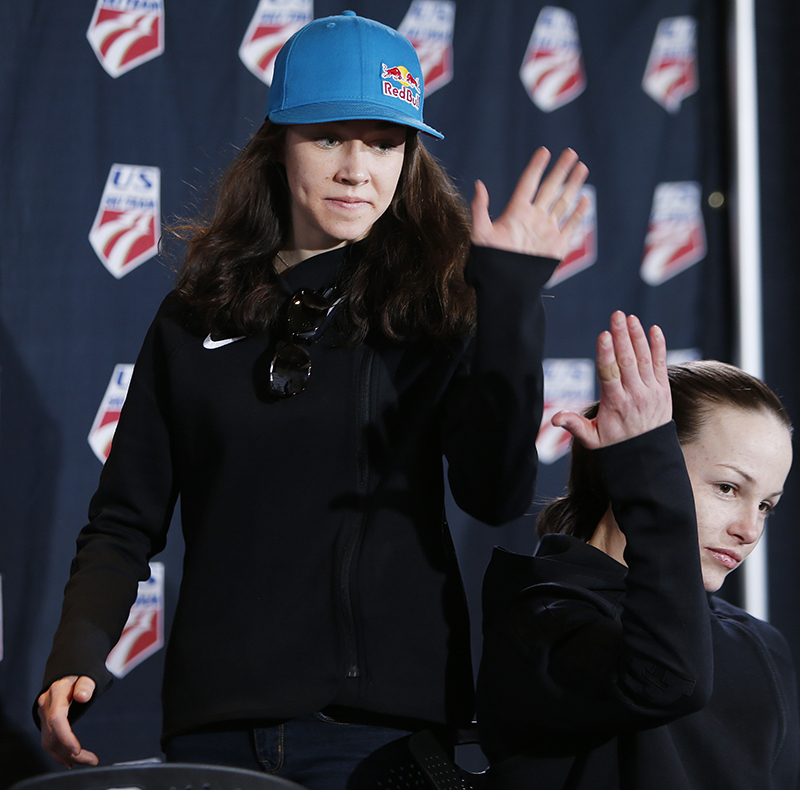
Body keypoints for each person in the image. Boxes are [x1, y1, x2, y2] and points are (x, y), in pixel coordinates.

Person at [35, 11, 589, 790]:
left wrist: (511, 303)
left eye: (385, 142)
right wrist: (76, 653)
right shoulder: (195, 316)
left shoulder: (436, 308)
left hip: (384, 738)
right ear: (277, 143)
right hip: (215, 727)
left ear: (411, 157)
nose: (358, 168)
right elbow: (125, 520)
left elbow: (494, 492)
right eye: (330, 137)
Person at [476, 311, 800, 789]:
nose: (749, 529)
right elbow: (666, 679)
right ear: (641, 466)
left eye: (767, 505)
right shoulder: (544, 618)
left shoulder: (759, 642)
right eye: (729, 488)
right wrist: (643, 467)